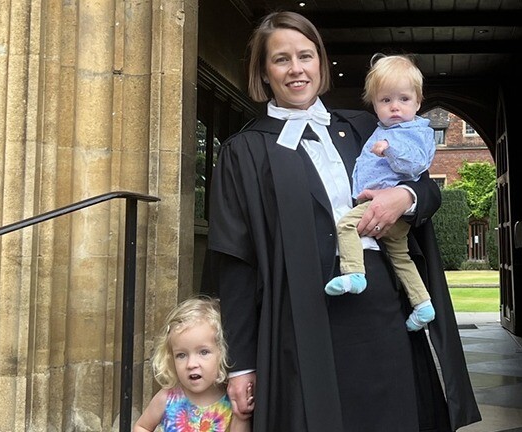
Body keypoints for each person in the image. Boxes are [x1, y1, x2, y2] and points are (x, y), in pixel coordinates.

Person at [202, 11, 480, 432]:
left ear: (321, 63)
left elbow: (429, 190)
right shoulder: (244, 152)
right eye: (281, 59)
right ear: (263, 71)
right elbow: (236, 262)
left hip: (379, 307)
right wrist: (240, 364)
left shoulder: (368, 126)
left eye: (306, 56)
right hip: (298, 318)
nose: (296, 69)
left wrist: (401, 197)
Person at [325, 54, 436, 332]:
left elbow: (419, 166)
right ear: (374, 104)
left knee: (347, 225)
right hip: (380, 212)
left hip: (383, 202)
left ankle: (353, 274)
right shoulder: (375, 128)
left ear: (418, 102)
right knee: (401, 258)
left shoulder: (412, 132)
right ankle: (423, 305)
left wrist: (390, 151)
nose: (395, 107)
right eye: (386, 101)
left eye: (403, 100)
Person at [133, 297, 250, 432]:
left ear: (222, 352)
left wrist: (241, 416)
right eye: (181, 355)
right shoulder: (167, 398)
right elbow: (141, 427)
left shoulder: (231, 399)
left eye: (203, 352)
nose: (191, 364)